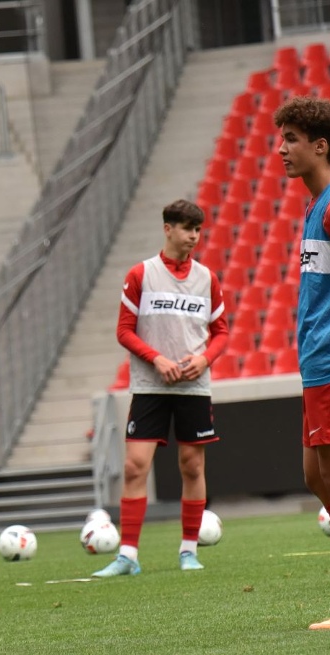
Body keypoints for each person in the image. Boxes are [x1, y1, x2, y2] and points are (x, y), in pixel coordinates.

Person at [92, 199, 227, 578]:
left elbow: (221, 333)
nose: (194, 237)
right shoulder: (141, 275)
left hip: (194, 387)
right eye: (187, 229)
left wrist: (204, 360)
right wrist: (157, 359)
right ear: (167, 229)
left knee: (191, 465)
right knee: (135, 467)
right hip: (150, 386)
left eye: (198, 230)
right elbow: (123, 330)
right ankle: (128, 556)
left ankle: (188, 551)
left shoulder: (206, 278)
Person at [273, 97, 330, 629]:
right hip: (317, 366)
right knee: (315, 476)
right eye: (280, 138)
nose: (281, 149)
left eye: (291, 138)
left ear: (321, 147)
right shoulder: (316, 208)